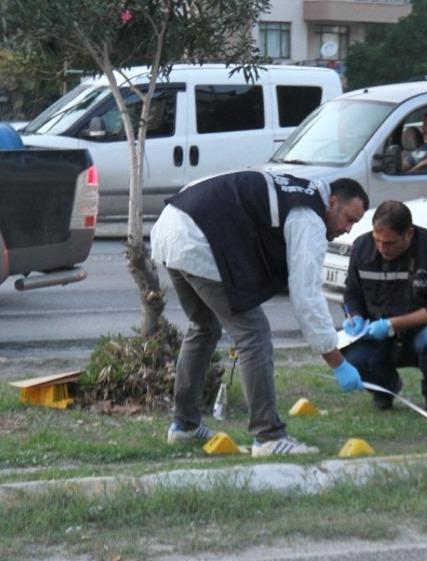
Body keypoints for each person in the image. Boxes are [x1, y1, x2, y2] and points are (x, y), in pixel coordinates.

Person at [151, 171, 369, 456]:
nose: (348, 230)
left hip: (173, 223)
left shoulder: (296, 190)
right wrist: (337, 362)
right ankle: (268, 436)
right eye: (349, 219)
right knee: (253, 335)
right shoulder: (309, 218)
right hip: (195, 239)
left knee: (204, 327)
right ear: (332, 201)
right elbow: (306, 297)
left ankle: (185, 426)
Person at [341, 200, 427, 413]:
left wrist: (391, 324)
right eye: (377, 240)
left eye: (389, 243)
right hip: (377, 335)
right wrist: (355, 315)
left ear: (409, 233)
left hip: (423, 332)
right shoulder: (361, 247)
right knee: (353, 358)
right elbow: (352, 293)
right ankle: (385, 389)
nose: (382, 248)